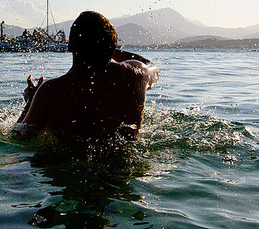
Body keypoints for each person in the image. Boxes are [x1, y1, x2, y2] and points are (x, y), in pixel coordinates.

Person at [13, 11, 160, 142]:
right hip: (127, 170)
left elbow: (20, 137)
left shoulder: (52, 91)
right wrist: (112, 51)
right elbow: (151, 66)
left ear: (69, 46)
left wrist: (29, 103)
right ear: (111, 46)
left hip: (67, 170)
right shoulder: (135, 75)